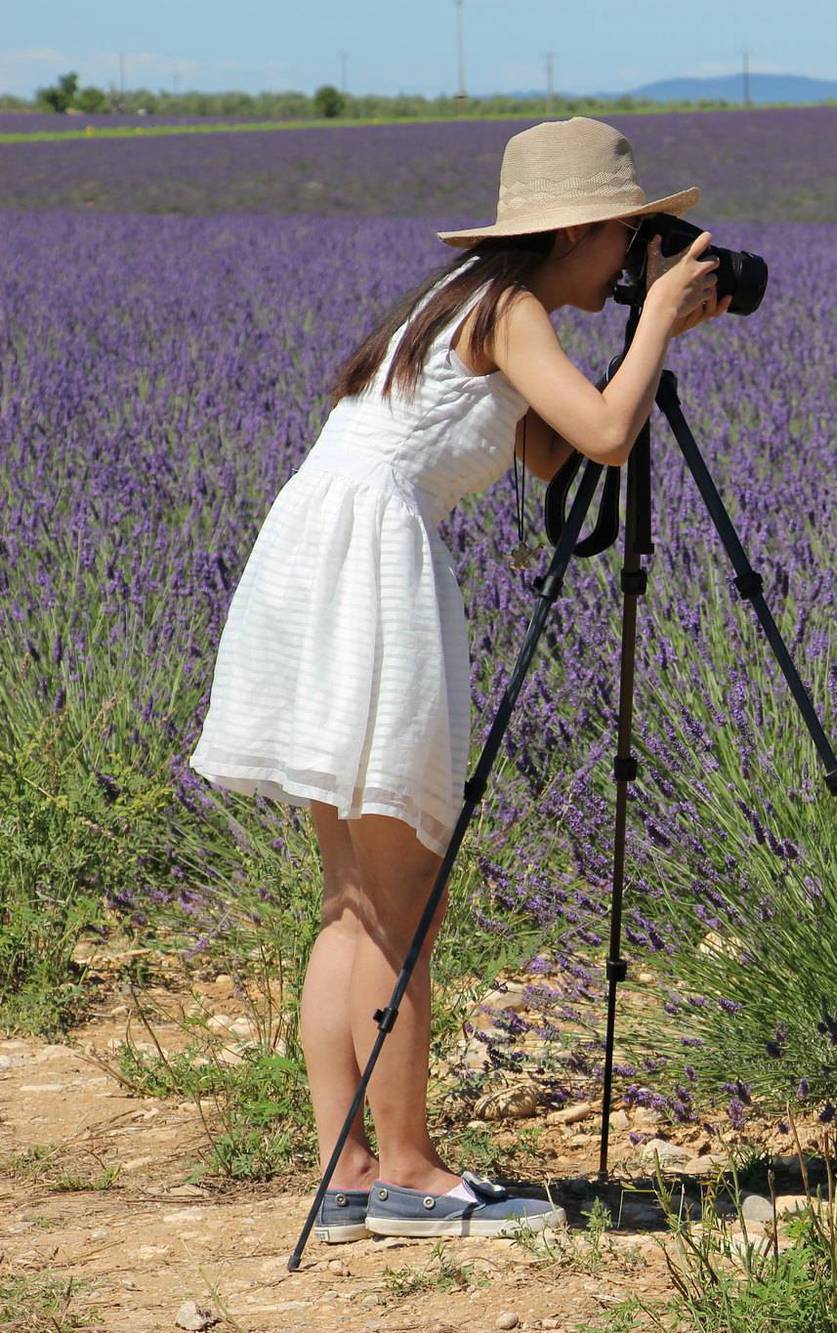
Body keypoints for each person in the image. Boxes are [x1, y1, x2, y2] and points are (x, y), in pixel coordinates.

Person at [186, 117, 729, 1242]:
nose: (635, 256)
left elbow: (546, 447)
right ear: (578, 229)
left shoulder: (464, 306)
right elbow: (610, 435)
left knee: (350, 900)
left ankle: (346, 1178)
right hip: (369, 568)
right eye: (628, 235)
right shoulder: (512, 311)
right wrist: (662, 324)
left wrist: (644, 327)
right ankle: (411, 1173)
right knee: (400, 906)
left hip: (314, 556)